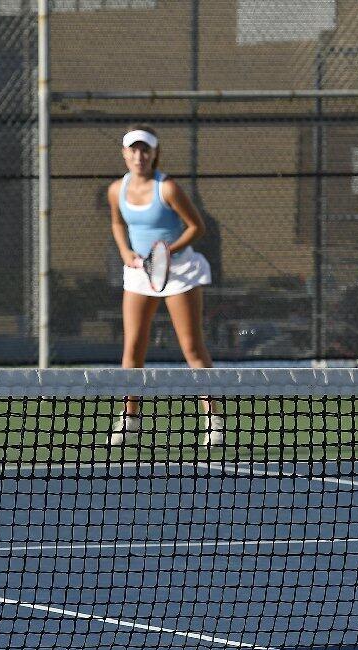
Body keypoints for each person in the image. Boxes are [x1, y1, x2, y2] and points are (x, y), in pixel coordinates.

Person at [106, 125, 223, 446]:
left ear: (155, 153)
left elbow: (196, 227)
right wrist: (125, 251)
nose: (139, 156)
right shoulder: (116, 190)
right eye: (133, 150)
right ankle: (130, 421)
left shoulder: (168, 188)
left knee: (192, 347)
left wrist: (166, 253)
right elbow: (117, 221)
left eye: (145, 150)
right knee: (133, 348)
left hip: (180, 269)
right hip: (139, 272)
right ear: (125, 154)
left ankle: (214, 421)